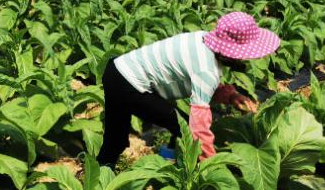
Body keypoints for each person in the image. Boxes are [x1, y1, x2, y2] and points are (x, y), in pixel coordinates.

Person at [98, 11, 280, 166]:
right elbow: (198, 127)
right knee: (182, 126)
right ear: (230, 53)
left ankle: (166, 155)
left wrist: (231, 96)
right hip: (128, 84)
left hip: (117, 69)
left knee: (122, 135)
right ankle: (100, 187)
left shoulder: (203, 39)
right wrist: (212, 165)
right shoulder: (207, 69)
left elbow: (199, 85)